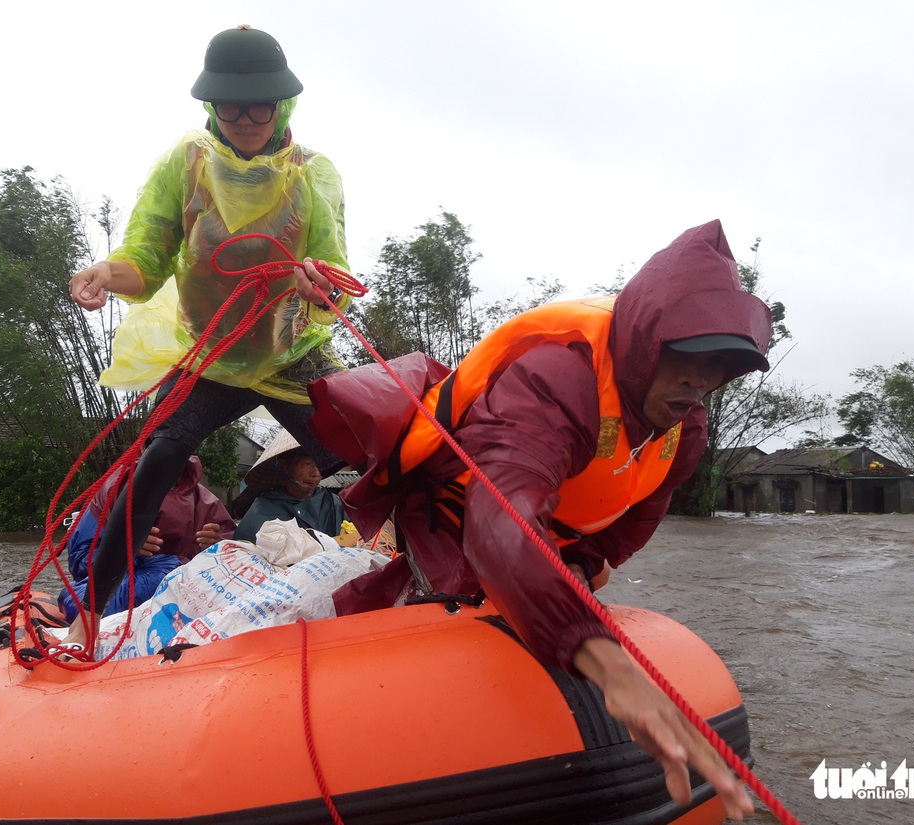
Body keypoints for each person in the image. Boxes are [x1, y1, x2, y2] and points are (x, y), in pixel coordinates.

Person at [307, 220, 770, 820]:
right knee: (455, 623)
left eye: (719, 366)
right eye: (685, 354)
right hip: (453, 513)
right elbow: (499, 515)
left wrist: (578, 565)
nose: (699, 380)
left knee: (547, 610)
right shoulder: (561, 376)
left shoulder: (687, 431)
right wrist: (604, 660)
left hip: (548, 532)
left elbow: (631, 522)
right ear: (647, 339)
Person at [62, 26, 349, 649]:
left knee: (365, 454)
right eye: (230, 105)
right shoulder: (185, 163)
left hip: (287, 352)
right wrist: (104, 274)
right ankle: (86, 617)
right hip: (211, 355)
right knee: (159, 455)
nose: (245, 118)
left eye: (260, 105)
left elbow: (335, 276)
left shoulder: (312, 175)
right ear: (210, 106)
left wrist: (316, 284)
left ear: (283, 106)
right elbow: (146, 256)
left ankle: (424, 586)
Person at [60, 456, 236, 621]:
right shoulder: (114, 489)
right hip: (127, 586)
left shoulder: (206, 502)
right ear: (145, 448)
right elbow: (80, 561)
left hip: (182, 593)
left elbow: (234, 558)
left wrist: (217, 546)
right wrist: (123, 548)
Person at [233, 430, 346, 543]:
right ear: (285, 466)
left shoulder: (334, 504)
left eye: (319, 465)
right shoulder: (263, 510)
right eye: (307, 464)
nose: (316, 474)